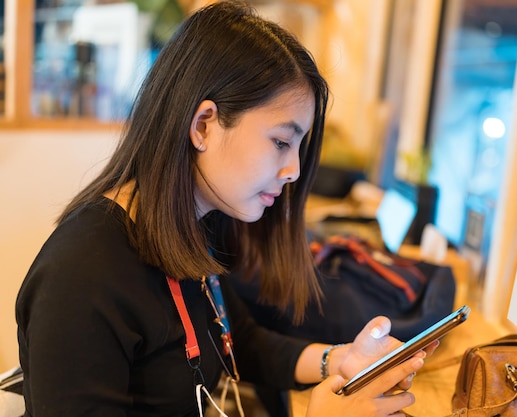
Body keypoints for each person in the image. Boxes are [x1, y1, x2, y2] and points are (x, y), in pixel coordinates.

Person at [15, 2, 436, 416]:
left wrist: (339, 359)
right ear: (203, 126)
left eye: (299, 147)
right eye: (280, 142)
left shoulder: (199, 222)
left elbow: (238, 343)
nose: (294, 171)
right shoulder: (83, 276)